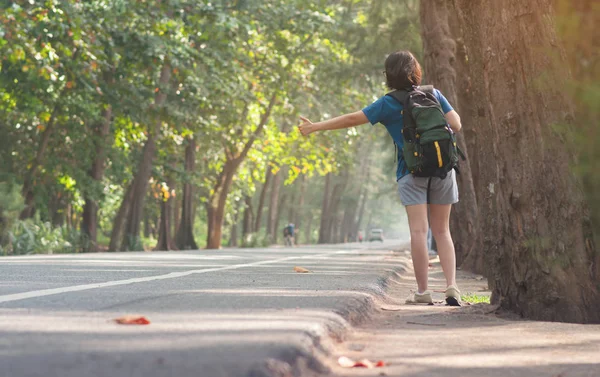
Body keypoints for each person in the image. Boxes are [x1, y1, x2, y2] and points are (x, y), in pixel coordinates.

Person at [298, 51, 462, 306]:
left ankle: (423, 291)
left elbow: (353, 118)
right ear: (415, 71)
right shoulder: (433, 93)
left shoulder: (387, 103)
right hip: (443, 168)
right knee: (442, 231)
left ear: (389, 76)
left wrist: (316, 126)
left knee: (419, 231)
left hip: (411, 171)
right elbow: (456, 124)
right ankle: (451, 286)